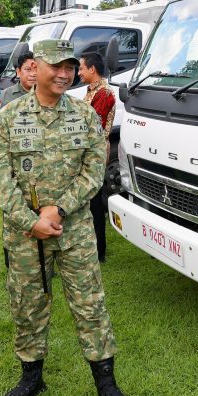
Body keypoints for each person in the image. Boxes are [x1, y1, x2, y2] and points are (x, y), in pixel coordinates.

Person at [0, 40, 135, 396]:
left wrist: (60, 207)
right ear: (35, 67)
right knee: (27, 305)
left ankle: (107, 387)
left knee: (90, 304)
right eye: (57, 66)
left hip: (76, 232)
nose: (65, 74)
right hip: (25, 235)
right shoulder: (9, 116)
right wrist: (30, 220)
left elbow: (94, 168)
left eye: (70, 67)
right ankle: (31, 378)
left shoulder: (84, 115)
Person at [79, 51, 115, 262]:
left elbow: (94, 126)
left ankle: (99, 251)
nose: (79, 73)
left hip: (95, 153)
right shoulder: (92, 91)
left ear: (92, 69)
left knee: (94, 201)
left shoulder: (104, 93)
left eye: (82, 68)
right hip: (87, 151)